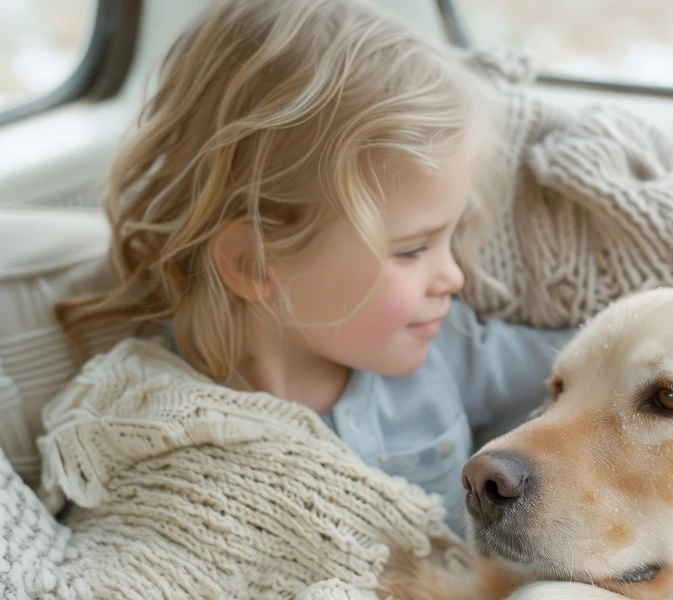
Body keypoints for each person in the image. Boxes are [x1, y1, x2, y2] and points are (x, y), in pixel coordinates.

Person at [52, 0, 573, 539]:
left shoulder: (450, 351)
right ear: (255, 264)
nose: (453, 277)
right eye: (413, 250)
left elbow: (597, 366)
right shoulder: (160, 422)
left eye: (451, 238)